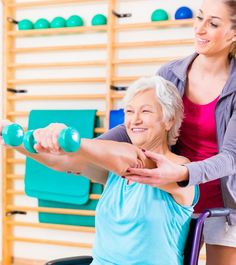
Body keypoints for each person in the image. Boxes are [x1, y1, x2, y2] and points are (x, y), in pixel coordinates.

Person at [0, 76, 198, 265]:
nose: (134, 120)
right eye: (129, 112)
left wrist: (69, 138)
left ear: (169, 120)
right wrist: (14, 137)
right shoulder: (113, 172)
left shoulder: (179, 169)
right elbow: (64, 162)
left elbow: (132, 159)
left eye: (145, 112)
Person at [98, 0, 236, 264]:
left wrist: (184, 173)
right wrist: (88, 149)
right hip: (172, 197)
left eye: (213, 23)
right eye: (199, 18)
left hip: (223, 205)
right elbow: (139, 123)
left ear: (233, 33)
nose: (200, 29)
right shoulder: (170, 74)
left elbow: (231, 157)